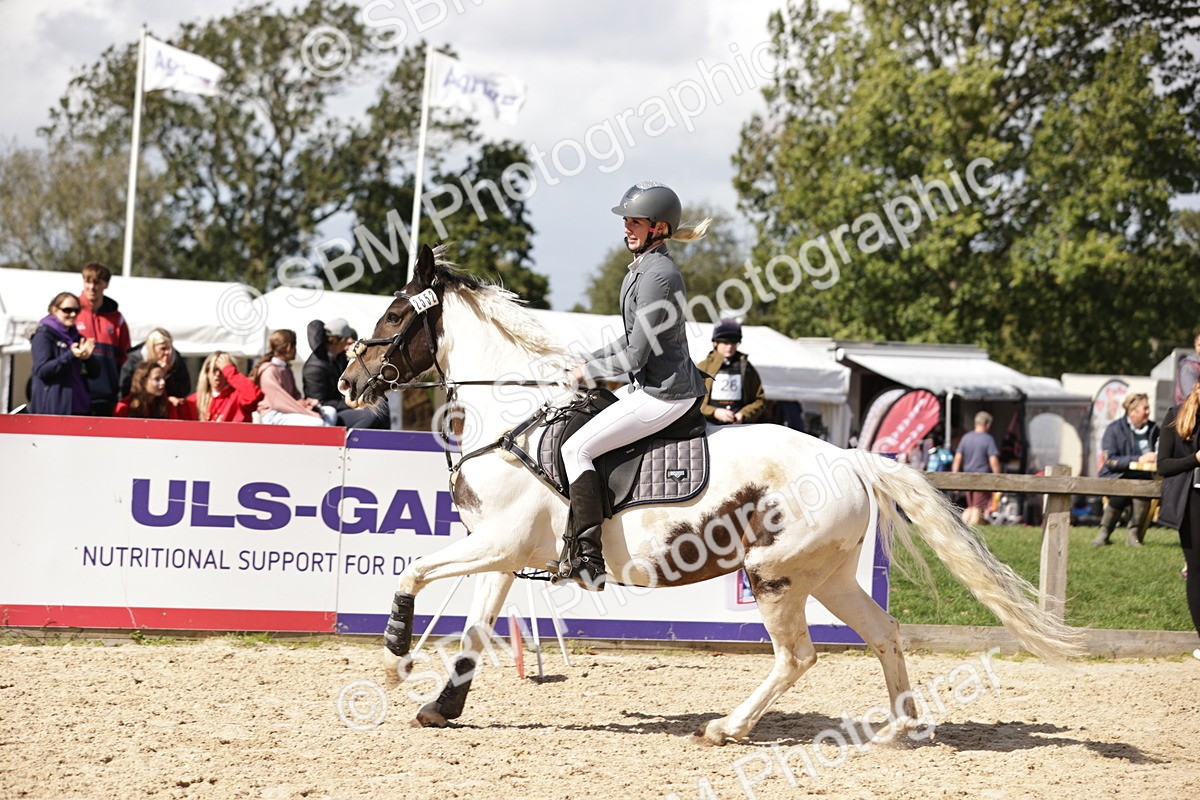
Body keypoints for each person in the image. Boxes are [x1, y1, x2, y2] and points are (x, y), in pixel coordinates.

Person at [557, 182, 711, 592]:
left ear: (658, 228)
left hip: (665, 393)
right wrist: (586, 359)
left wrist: (588, 374)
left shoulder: (658, 275)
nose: (626, 227)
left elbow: (635, 357)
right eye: (625, 220)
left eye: (634, 221)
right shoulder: (644, 267)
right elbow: (627, 338)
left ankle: (589, 558)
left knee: (577, 448)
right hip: (651, 384)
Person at [1155, 380, 1200, 660]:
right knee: (1196, 570)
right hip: (1192, 501)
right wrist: (1195, 458)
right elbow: (1163, 465)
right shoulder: (1177, 414)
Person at [1092, 392, 1159, 547]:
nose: (1148, 412)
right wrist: (1138, 459)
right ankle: (1104, 532)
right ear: (1132, 411)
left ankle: (1133, 535)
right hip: (1117, 475)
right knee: (1124, 490)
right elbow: (1110, 460)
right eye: (1145, 408)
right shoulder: (1114, 429)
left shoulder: (1154, 429)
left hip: (1144, 476)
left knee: (1143, 489)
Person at [302, 318, 388, 429]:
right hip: (326, 413)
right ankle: (352, 444)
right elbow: (320, 402)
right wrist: (353, 405)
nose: (350, 341)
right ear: (335, 340)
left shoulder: (338, 357)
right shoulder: (314, 368)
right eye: (346, 338)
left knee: (382, 407)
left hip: (341, 406)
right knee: (371, 415)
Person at [74, 262, 131, 416]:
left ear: (105, 284)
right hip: (75, 394)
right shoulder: (71, 312)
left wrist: (121, 392)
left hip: (107, 397)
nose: (91, 287)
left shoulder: (117, 319)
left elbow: (124, 360)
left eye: (96, 282)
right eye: (88, 281)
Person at [253, 329, 336, 427]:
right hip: (273, 414)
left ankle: (327, 440)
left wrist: (307, 403)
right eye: (295, 346)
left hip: (287, 410)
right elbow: (279, 402)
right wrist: (308, 413)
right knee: (317, 423)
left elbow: (294, 397)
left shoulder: (286, 369)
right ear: (289, 347)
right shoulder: (269, 371)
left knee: (330, 411)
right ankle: (325, 441)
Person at [30, 292, 94, 416]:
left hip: (79, 409)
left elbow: (95, 373)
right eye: (67, 310)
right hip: (53, 410)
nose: (73, 314)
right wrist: (70, 355)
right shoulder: (43, 335)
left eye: (76, 310)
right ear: (54, 310)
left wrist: (88, 358)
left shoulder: (77, 337)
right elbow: (42, 370)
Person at [696, 318, 766, 425]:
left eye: (734, 343)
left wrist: (744, 414)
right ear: (715, 343)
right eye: (725, 342)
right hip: (708, 424)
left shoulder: (747, 368)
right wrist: (714, 412)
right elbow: (691, 401)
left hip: (739, 425)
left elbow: (760, 400)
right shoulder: (703, 367)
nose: (730, 346)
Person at [951, 411, 1001, 526]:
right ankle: (972, 529)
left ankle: (961, 526)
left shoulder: (966, 438)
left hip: (968, 478)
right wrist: (999, 478)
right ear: (988, 424)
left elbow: (958, 458)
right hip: (982, 478)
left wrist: (954, 478)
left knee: (971, 507)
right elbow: (993, 461)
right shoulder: (988, 439)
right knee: (977, 509)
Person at [188, 352, 263, 423]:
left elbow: (254, 397)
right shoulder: (195, 400)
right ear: (207, 372)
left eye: (221, 370)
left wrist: (229, 370)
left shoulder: (237, 397)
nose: (217, 374)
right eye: (214, 370)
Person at [119, 328, 192, 400]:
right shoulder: (134, 361)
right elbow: (126, 390)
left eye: (170, 348)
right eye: (163, 349)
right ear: (152, 347)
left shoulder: (175, 358)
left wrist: (167, 375)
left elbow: (184, 389)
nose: (167, 352)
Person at [115, 360, 195, 420]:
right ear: (143, 381)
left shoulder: (169, 406)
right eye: (157, 379)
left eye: (163, 378)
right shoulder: (125, 406)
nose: (163, 382)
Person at [1176, 331, 1200, 406]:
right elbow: (1192, 396)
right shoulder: (1189, 368)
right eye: (1199, 345)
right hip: (1191, 414)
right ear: (1195, 346)